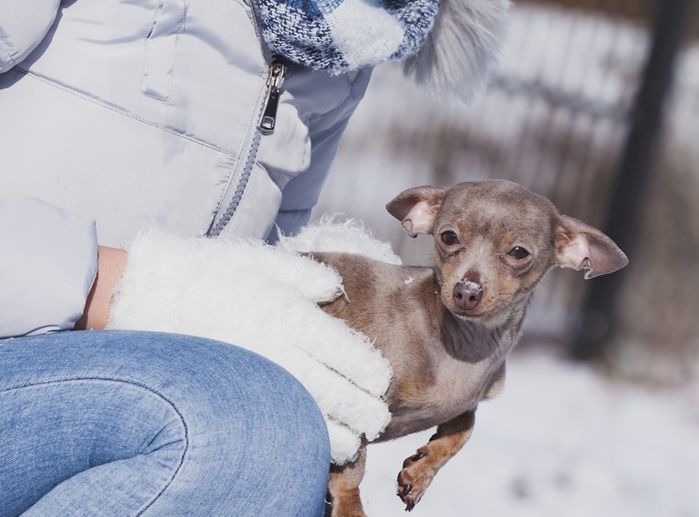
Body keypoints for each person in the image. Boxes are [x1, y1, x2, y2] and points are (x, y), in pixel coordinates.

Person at [0, 0, 508, 514]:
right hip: (22, 341)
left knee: (291, 448)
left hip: (146, 376)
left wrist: (341, 303)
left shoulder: (357, 37)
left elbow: (270, 246)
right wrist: (136, 290)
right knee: (246, 435)